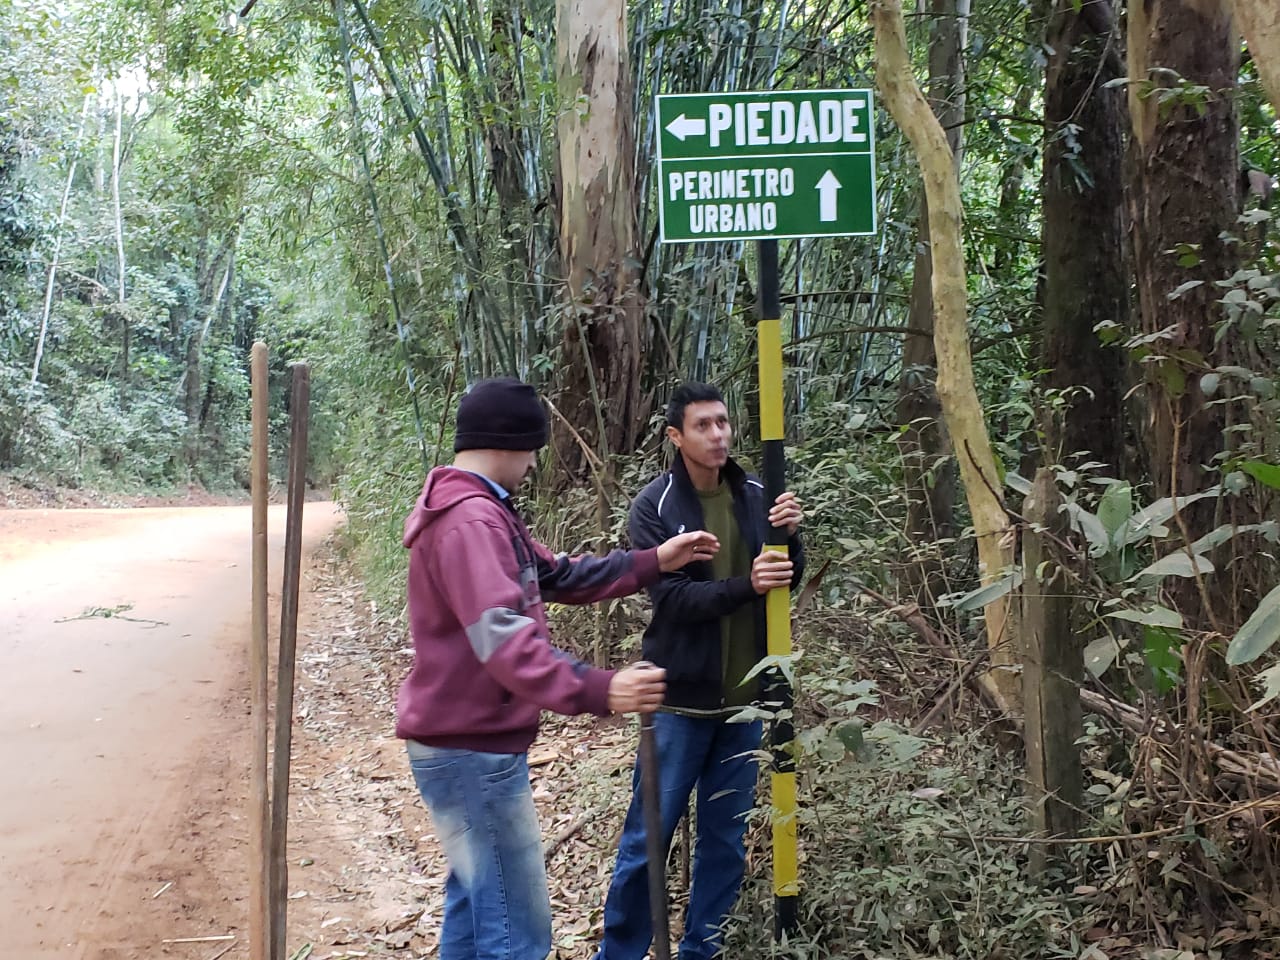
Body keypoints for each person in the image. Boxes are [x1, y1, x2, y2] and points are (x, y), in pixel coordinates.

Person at [397, 377, 719, 960]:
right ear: (509, 443)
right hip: (472, 751)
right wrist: (600, 689)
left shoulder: (483, 511)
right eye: (531, 451)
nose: (531, 465)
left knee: (476, 908)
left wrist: (653, 560)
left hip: (461, 744)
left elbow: (558, 574)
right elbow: (505, 642)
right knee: (516, 932)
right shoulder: (472, 522)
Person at [594, 381, 805, 960]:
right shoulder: (656, 506)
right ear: (676, 436)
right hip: (678, 703)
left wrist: (791, 539)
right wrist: (745, 586)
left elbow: (784, 582)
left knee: (725, 842)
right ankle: (619, 953)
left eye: (722, 422)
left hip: (743, 704)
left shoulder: (758, 494)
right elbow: (673, 599)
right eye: (703, 426)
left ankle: (700, 951)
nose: (717, 435)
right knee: (647, 839)